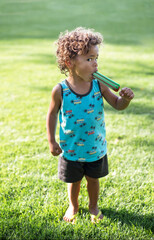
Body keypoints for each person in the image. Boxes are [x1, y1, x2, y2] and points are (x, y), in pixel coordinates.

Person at [46, 27, 134, 223]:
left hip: (95, 148)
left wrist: (125, 99)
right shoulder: (60, 90)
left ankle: (93, 206)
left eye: (96, 58)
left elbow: (118, 105)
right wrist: (51, 141)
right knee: (74, 181)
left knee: (93, 180)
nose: (95, 64)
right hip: (71, 149)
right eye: (89, 59)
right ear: (70, 63)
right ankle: (73, 205)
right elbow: (52, 114)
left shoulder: (99, 85)